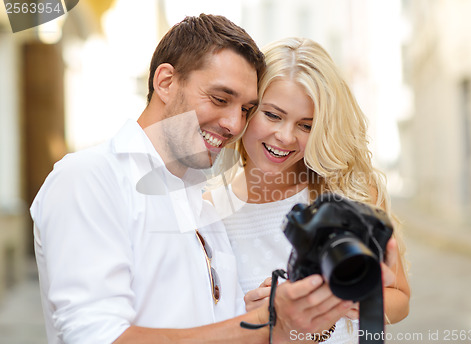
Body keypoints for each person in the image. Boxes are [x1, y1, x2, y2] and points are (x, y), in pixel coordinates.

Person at [30, 16, 355, 344]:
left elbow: (214, 328)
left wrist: (275, 320)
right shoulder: (89, 178)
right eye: (220, 99)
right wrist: (263, 322)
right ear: (166, 82)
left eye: (246, 109)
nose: (233, 124)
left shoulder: (203, 206)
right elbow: (99, 338)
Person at [206, 37, 411, 343]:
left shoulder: (348, 192)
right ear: (247, 109)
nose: (285, 137)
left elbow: (400, 300)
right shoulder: (211, 209)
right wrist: (252, 316)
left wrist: (347, 296)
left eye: (306, 125)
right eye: (273, 115)